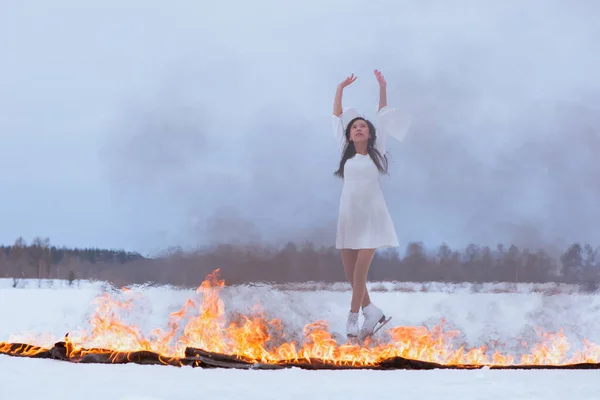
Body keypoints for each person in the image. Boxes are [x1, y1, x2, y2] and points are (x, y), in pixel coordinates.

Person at [331, 69, 411, 341]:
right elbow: (336, 117)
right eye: (354, 127)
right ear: (350, 135)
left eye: (362, 126)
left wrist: (382, 87)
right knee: (350, 273)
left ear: (369, 133)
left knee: (360, 270)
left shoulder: (376, 153)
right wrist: (340, 89)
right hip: (348, 215)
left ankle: (354, 316)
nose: (358, 128)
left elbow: (382, 116)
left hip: (372, 217)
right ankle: (371, 310)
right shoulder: (346, 153)